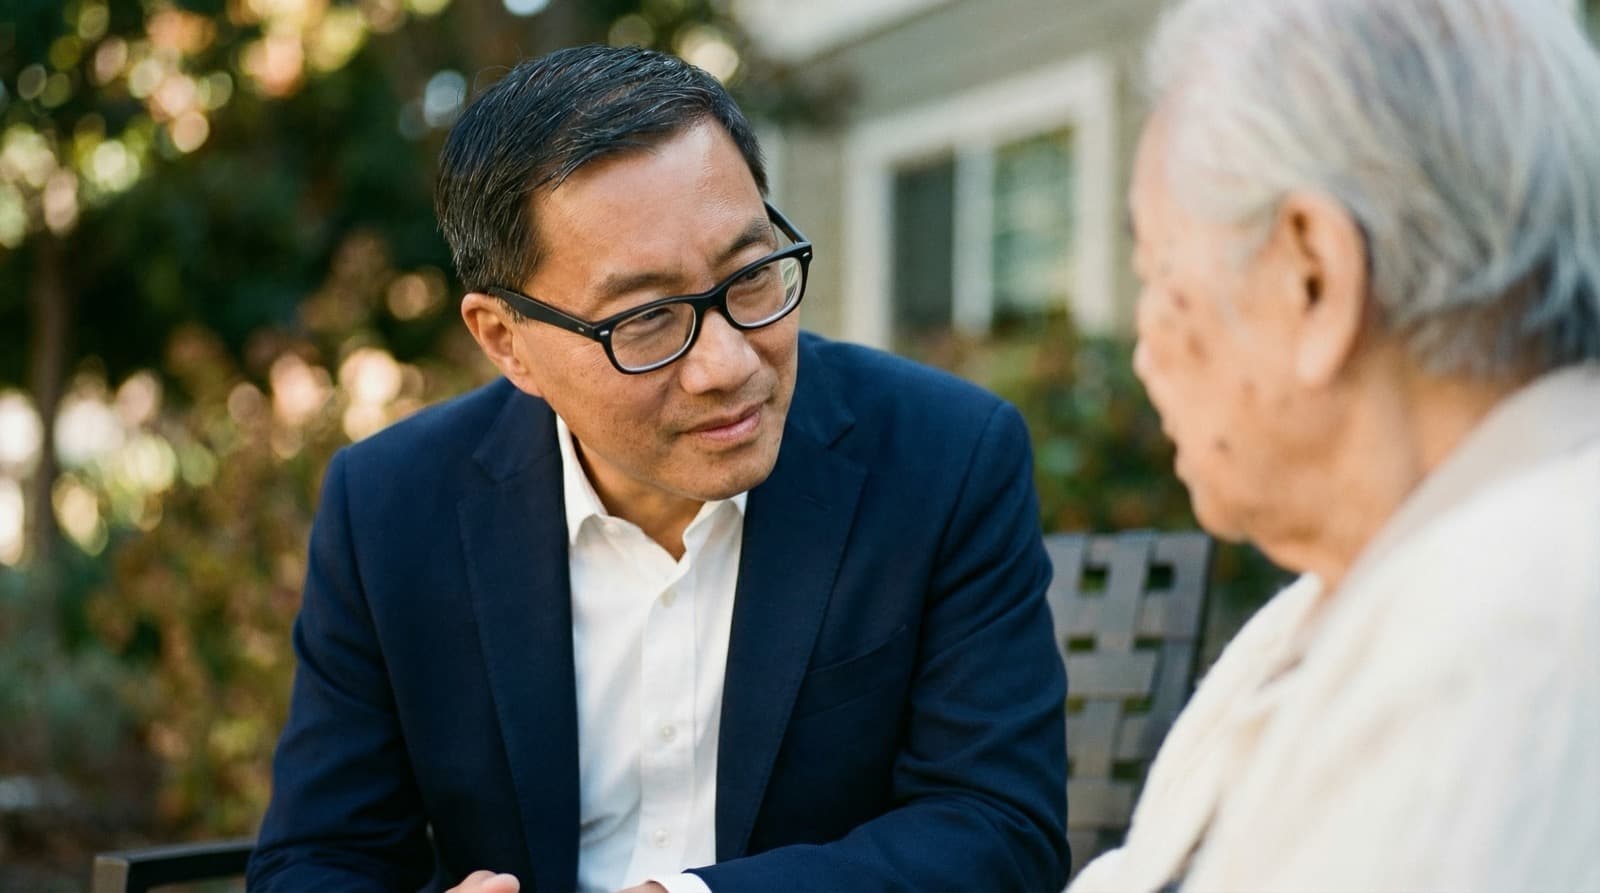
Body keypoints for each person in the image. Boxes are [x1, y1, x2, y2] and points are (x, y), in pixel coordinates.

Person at [245, 45, 1068, 893]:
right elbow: (317, 857)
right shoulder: (390, 507)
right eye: (645, 320)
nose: (727, 363)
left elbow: (997, 829)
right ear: (505, 341)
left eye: (750, 276)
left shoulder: (947, 456)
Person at [1071, 0, 1600, 889]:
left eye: (1160, 273)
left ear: (1314, 275)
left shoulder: (1507, 640)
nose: (1145, 348)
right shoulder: (1349, 588)